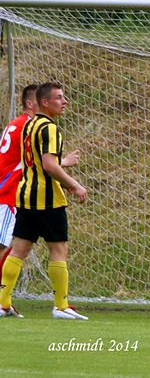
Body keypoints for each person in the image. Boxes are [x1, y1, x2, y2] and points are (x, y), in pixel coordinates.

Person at [0, 83, 88, 319]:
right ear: (45, 103)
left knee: (18, 250)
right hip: (48, 200)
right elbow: (49, 165)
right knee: (58, 250)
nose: (65, 101)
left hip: (25, 196)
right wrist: (74, 185)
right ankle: (61, 306)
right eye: (59, 97)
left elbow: (37, 162)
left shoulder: (28, 126)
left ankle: (3, 302)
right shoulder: (49, 128)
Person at [0, 85, 39, 283]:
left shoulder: (17, 123)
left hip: (13, 192)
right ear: (30, 103)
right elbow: (38, 160)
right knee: (4, 245)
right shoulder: (27, 126)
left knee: (20, 245)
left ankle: (3, 295)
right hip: (7, 192)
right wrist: (62, 163)